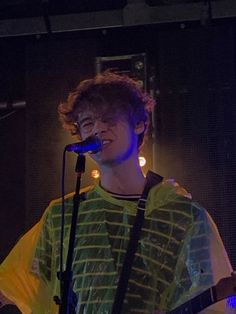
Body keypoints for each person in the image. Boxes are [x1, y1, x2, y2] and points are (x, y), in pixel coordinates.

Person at [0, 71, 235, 314]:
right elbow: (20, 285)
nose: (98, 129)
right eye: (88, 123)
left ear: (139, 124)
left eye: (109, 119)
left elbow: (214, 302)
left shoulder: (184, 216)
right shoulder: (62, 214)